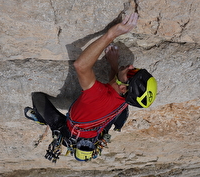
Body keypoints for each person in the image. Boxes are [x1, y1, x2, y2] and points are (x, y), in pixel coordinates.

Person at [24, 13, 157, 162]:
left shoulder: (98, 96)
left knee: (37, 97)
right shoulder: (126, 97)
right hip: (96, 128)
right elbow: (114, 85)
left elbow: (80, 66)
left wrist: (111, 34)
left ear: (124, 89)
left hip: (72, 131)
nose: (131, 66)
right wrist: (113, 63)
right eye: (136, 70)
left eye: (132, 72)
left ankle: (43, 120)